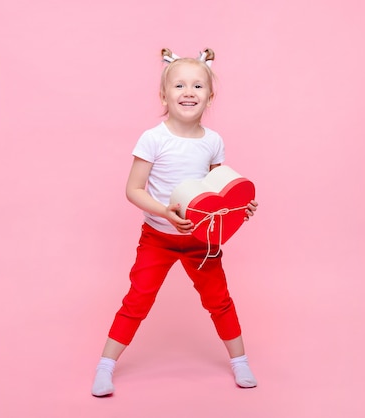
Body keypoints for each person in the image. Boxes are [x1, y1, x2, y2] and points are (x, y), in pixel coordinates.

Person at [91, 48, 259, 397]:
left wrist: (239, 207)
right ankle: (105, 366)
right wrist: (163, 211)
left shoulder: (213, 142)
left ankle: (240, 361)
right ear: (163, 94)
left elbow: (217, 191)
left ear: (210, 96)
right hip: (158, 237)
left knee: (220, 300)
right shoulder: (154, 138)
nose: (188, 92)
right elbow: (133, 189)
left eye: (198, 86)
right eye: (179, 85)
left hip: (202, 241)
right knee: (138, 298)